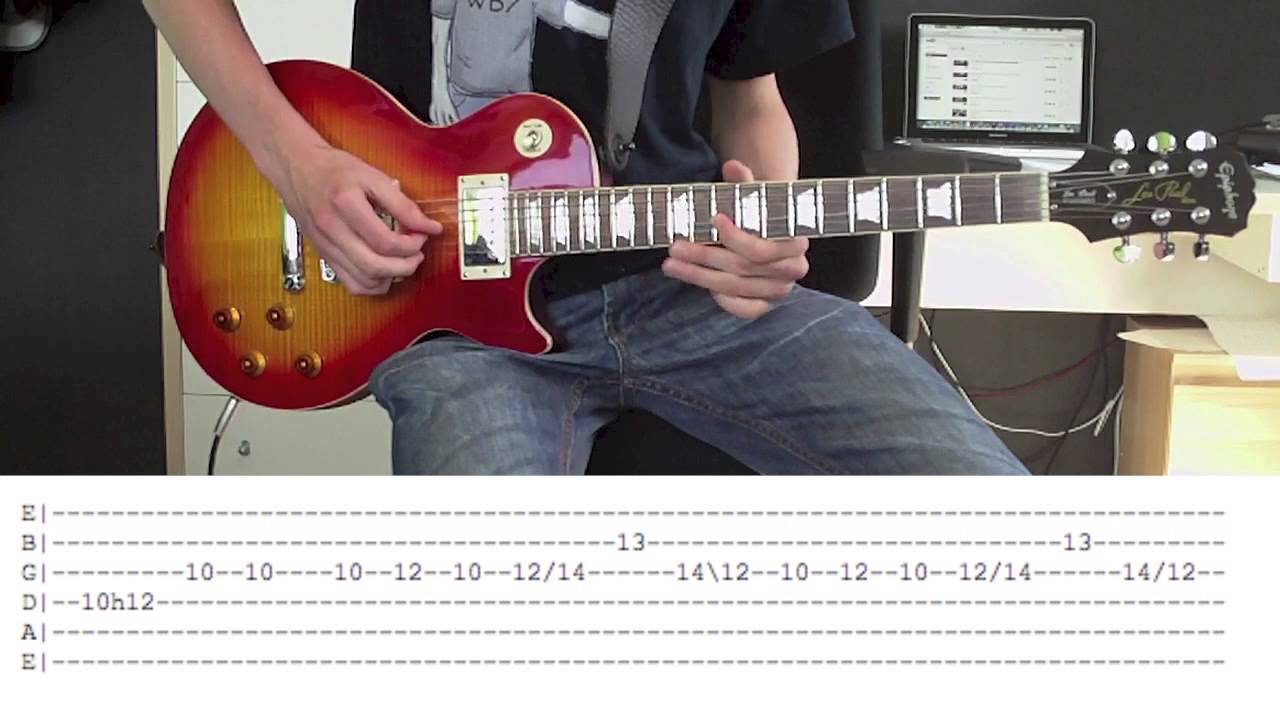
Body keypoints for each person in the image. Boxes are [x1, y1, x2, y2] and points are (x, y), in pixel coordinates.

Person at [144, 0, 1028, 476]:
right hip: (453, 322)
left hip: (688, 295)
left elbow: (751, 101)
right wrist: (297, 163)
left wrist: (766, 227)